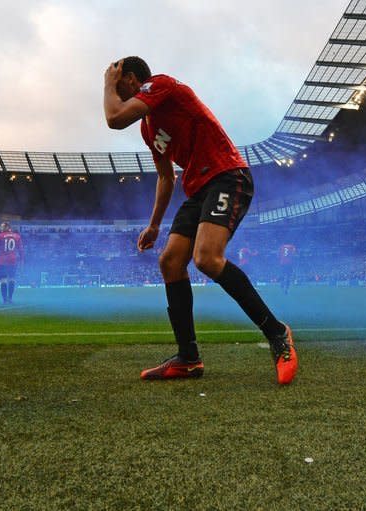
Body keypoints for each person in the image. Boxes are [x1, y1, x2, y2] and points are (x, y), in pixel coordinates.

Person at [103, 56, 297, 384]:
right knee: (170, 261)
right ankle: (188, 358)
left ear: (134, 80)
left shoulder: (160, 85)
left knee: (206, 258)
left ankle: (278, 334)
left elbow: (114, 119)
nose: (115, 90)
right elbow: (166, 177)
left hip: (227, 175)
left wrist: (107, 82)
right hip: (199, 189)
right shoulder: (148, 128)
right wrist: (154, 225)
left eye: (119, 83)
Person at [0, 222, 23, 304]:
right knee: (12, 279)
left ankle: (5, 299)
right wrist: (22, 259)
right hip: (13, 261)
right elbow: (21, 249)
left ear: (7, 227)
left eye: (2, 227)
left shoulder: (0, 236)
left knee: (3, 280)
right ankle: (10, 298)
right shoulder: (17, 236)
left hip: (2, 261)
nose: (1, 228)